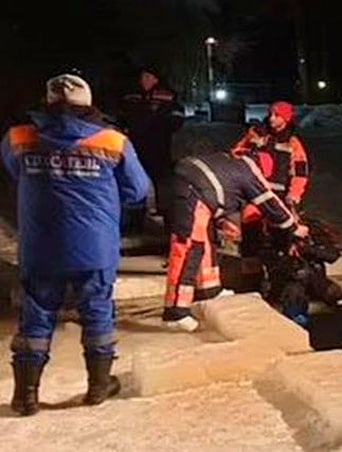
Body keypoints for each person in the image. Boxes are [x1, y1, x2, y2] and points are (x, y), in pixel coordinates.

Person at [1, 73, 150, 415]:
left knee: (35, 317)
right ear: (89, 105)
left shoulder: (19, 137)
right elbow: (138, 190)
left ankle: (26, 394)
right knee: (97, 312)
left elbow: (13, 170)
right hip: (94, 246)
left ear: (47, 102)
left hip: (40, 247)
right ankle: (98, 386)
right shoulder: (113, 142)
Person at [162, 151, 308, 332]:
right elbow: (269, 203)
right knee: (189, 248)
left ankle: (209, 291)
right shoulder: (247, 171)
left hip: (191, 188)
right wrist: (294, 227)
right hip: (191, 193)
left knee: (207, 243)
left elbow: (219, 189)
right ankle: (175, 313)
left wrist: (222, 220)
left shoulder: (229, 162)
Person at [230, 101, 310, 280]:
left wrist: (295, 194)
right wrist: (250, 150)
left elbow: (300, 171)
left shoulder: (292, 143)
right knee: (250, 228)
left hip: (280, 197)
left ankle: (280, 271)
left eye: (277, 115)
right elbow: (236, 153)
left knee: (282, 233)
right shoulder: (257, 134)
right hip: (255, 193)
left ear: (286, 119)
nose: (272, 119)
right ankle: (251, 275)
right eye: (271, 114)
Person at [118, 66, 184, 235]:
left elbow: (177, 118)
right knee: (135, 182)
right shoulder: (131, 96)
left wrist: (159, 126)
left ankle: (168, 222)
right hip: (136, 147)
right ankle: (135, 222)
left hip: (159, 147)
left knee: (163, 184)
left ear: (155, 79)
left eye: (147, 77)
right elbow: (122, 116)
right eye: (142, 77)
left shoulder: (167, 96)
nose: (143, 80)